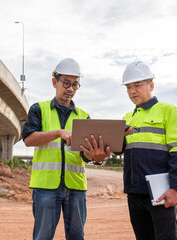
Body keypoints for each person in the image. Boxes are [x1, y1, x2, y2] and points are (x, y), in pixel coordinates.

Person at [22, 58, 110, 240]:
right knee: (42, 237)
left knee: (77, 237)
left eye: (75, 85)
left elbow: (84, 156)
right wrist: (58, 132)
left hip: (75, 186)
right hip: (45, 186)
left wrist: (96, 156)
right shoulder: (39, 109)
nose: (70, 89)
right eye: (66, 83)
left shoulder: (84, 117)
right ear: (55, 82)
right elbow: (29, 139)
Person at [121, 61, 177, 240]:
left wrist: (175, 188)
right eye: (128, 87)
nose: (132, 91)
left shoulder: (168, 111)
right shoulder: (127, 117)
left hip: (160, 192)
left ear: (151, 85)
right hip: (134, 193)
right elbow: (121, 150)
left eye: (137, 85)